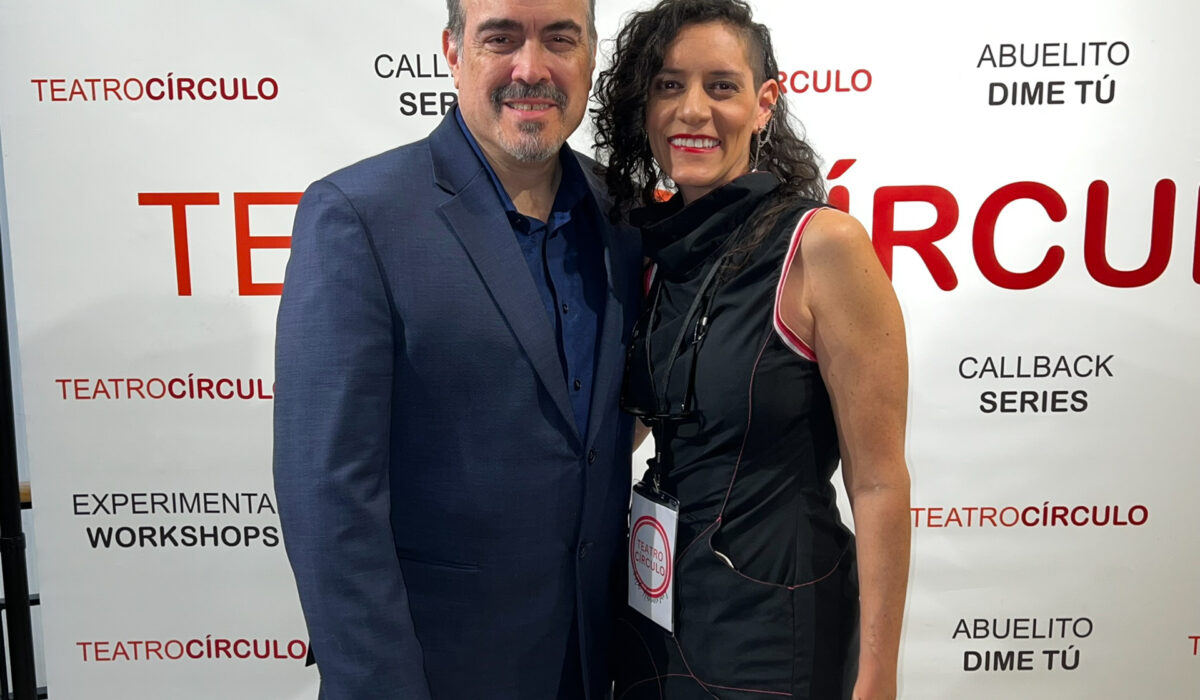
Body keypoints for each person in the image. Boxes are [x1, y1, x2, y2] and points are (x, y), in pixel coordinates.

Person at [272, 0, 642, 697]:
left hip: (594, 663)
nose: (531, 68)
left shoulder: (622, 213)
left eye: (559, 39)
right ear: (452, 50)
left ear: (591, 54)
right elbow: (327, 494)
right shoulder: (358, 215)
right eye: (501, 38)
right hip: (435, 672)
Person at [592, 0, 911, 697]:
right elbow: (638, 423)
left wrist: (878, 677)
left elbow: (879, 483)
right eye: (669, 85)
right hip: (653, 623)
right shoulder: (656, 255)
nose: (692, 110)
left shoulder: (822, 246)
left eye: (721, 86)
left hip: (775, 633)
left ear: (764, 104)